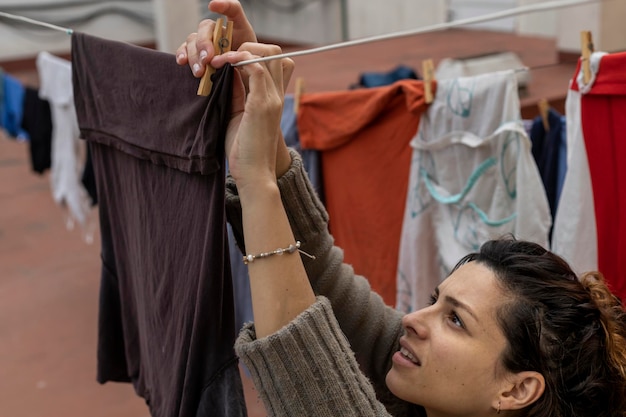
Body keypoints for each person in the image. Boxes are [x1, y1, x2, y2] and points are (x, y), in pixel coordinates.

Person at [176, 2, 626, 416]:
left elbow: (312, 386)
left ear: (516, 389)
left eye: (455, 319)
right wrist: (253, 124)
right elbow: (322, 278)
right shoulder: (433, 390)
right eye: (435, 301)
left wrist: (255, 179)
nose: (411, 318)